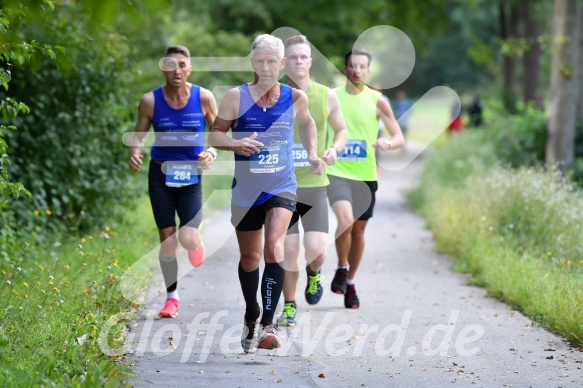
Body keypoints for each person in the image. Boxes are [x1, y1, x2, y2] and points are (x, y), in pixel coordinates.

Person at [209, 34, 323, 353]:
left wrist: (312, 152)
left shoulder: (295, 97)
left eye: (272, 61)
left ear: (282, 64)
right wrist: (234, 143)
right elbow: (215, 134)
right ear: (252, 63)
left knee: (274, 247)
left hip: (281, 185)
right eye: (259, 61)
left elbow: (308, 124)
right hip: (246, 190)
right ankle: (251, 314)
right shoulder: (235, 97)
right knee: (250, 257)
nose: (266, 66)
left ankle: (268, 325)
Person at [128, 45, 218, 318]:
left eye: (182, 64)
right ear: (163, 68)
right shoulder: (150, 101)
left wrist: (212, 152)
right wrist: (134, 152)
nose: (176, 70)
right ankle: (172, 298)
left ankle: (195, 243)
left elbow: (219, 133)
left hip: (191, 174)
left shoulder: (204, 97)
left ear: (189, 68)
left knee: (188, 238)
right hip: (160, 174)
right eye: (171, 65)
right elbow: (138, 136)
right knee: (167, 240)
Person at [277, 35, 348, 327]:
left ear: (310, 61)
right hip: (282, 186)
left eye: (303, 57)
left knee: (317, 250)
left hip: (315, 185)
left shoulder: (326, 95)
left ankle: (315, 274)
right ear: (284, 62)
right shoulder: (273, 94)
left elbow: (341, 130)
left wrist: (334, 149)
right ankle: (290, 305)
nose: (298, 61)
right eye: (292, 57)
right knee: (289, 251)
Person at [327, 49, 404, 309]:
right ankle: (341, 266)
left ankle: (349, 282)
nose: (357, 71)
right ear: (345, 69)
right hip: (336, 172)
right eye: (352, 66)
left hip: (365, 175)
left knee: (358, 231)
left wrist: (387, 143)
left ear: (368, 71)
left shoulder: (378, 100)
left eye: (362, 67)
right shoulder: (332, 97)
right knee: (345, 221)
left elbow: (398, 136)